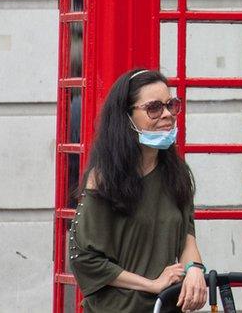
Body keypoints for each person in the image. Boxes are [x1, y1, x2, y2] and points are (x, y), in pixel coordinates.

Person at [69, 69, 207, 312]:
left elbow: (187, 235)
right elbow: (85, 260)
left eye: (171, 105)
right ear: (126, 117)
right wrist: (152, 284)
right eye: (154, 108)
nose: (167, 115)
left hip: (165, 306)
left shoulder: (177, 174)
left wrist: (194, 269)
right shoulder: (103, 179)